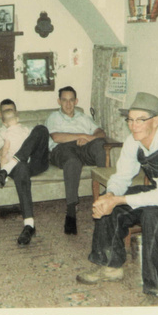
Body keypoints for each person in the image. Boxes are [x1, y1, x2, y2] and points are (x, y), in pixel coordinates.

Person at [76, 92, 158, 306]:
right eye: (130, 119)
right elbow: (121, 177)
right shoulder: (133, 141)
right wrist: (111, 195)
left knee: (152, 214)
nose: (133, 125)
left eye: (140, 120)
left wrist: (119, 200)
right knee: (107, 200)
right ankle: (110, 265)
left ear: (156, 120)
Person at [45, 86, 106, 235]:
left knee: (100, 145)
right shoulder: (54, 117)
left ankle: (106, 194)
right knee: (73, 162)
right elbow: (56, 137)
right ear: (59, 101)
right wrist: (80, 136)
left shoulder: (84, 117)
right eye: (64, 100)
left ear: (76, 101)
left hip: (82, 147)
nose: (68, 104)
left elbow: (101, 133)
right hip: (62, 149)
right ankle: (71, 212)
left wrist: (87, 139)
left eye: (71, 100)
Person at [0, 99, 49, 245]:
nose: (10, 115)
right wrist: (6, 145)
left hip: (35, 163)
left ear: (17, 114)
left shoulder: (26, 129)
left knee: (41, 128)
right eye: (6, 112)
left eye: (12, 111)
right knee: (21, 166)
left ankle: (10, 166)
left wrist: (27, 141)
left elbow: (42, 143)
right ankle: (29, 225)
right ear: (0, 116)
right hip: (18, 168)